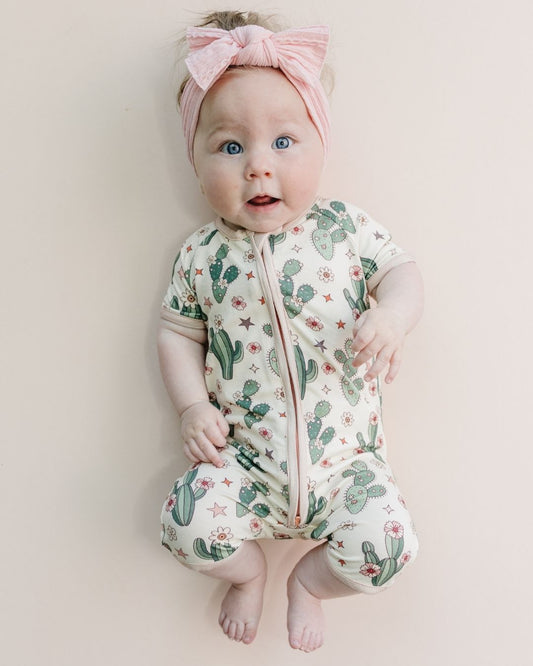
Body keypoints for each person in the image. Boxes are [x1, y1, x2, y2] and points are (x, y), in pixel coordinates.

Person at [158, 10, 423, 653]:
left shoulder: (343, 228)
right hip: (241, 461)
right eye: (229, 146)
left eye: (284, 142)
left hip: (346, 466)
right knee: (183, 528)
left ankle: (308, 582)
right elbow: (176, 333)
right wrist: (192, 404)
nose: (257, 167)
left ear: (319, 145)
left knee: (388, 549)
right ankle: (248, 573)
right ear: (196, 162)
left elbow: (403, 274)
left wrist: (391, 315)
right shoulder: (202, 254)